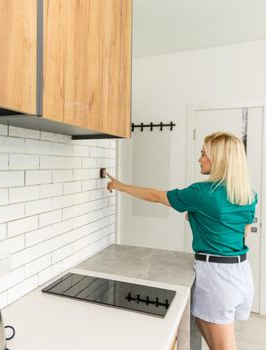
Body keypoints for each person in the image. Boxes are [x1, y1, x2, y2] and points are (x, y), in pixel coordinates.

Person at [106, 131, 257, 350]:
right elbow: (243, 231)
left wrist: (120, 185)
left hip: (217, 275)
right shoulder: (248, 194)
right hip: (240, 273)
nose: (199, 159)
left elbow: (155, 196)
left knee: (224, 347)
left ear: (219, 159)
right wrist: (199, 219)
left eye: (203, 154)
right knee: (220, 340)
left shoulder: (203, 193)